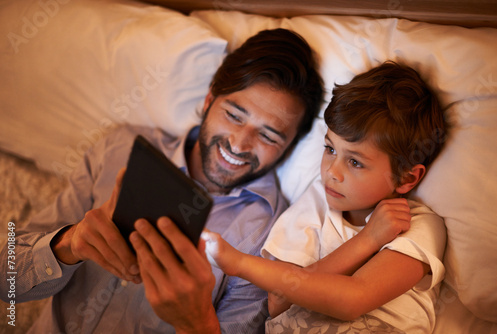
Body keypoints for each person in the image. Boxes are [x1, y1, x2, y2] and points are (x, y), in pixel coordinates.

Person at [0, 28, 324, 333]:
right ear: (209, 100)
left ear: (289, 146)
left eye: (268, 135)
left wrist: (195, 322)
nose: (239, 144)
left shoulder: (274, 236)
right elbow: (6, 281)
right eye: (234, 115)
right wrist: (67, 244)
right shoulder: (119, 149)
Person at [203, 61, 450, 333]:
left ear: (407, 178)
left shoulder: (415, 225)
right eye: (330, 148)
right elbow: (279, 299)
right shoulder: (315, 203)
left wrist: (240, 264)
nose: (332, 171)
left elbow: (355, 298)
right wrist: (368, 240)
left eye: (355, 162)